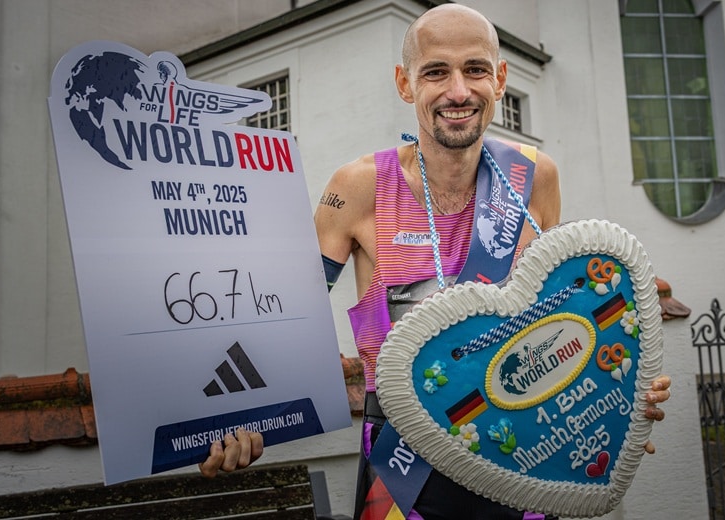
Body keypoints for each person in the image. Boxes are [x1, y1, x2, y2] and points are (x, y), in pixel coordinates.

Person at [201, 4, 672, 518]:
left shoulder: (536, 177)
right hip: (405, 473)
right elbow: (287, 316)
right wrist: (239, 413)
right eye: (435, 72)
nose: (458, 91)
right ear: (405, 84)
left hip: (527, 458)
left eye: (475, 69)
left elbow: (558, 318)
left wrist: (619, 395)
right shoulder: (357, 188)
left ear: (500, 78)